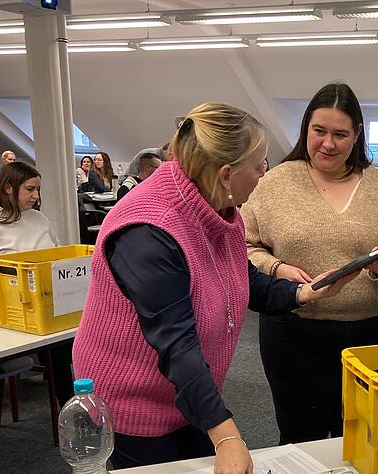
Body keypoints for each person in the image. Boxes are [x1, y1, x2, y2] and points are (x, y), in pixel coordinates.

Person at [72, 102, 354, 473]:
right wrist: (226, 435)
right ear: (225, 174)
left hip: (184, 395)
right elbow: (177, 344)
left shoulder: (219, 207)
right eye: (259, 165)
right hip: (132, 408)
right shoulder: (149, 231)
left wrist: (302, 293)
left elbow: (236, 278)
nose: (264, 173)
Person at [241, 83, 378, 444]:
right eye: (319, 131)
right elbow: (243, 246)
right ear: (306, 128)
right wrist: (278, 270)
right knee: (299, 437)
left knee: (364, 437)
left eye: (340, 134)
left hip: (369, 334)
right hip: (294, 334)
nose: (328, 143)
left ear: (356, 135)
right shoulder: (275, 183)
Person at [0, 162, 74, 405]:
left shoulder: (38, 218)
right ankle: (67, 400)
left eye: (38, 189)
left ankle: (75, 395)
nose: (36, 196)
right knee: (60, 341)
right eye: (30, 189)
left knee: (73, 332)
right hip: (11, 305)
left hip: (48, 299)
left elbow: (57, 254)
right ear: (8, 188)